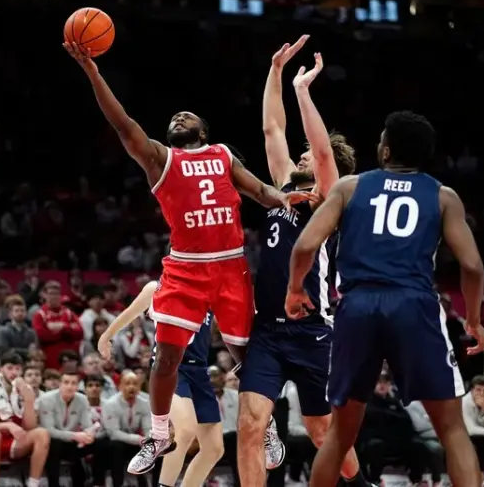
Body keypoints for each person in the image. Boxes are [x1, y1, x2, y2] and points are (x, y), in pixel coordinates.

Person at [63, 40, 314, 475]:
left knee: (248, 360)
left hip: (231, 266)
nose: (178, 116)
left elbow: (259, 190)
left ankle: (267, 424)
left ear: (203, 130)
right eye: (173, 116)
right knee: (165, 359)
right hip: (185, 269)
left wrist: (286, 198)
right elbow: (124, 125)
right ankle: (159, 433)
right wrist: (92, 72)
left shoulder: (222, 155)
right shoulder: (160, 158)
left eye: (187, 115)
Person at [286, 111, 484, 487]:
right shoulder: (444, 197)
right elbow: (473, 267)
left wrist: (296, 289)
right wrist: (473, 320)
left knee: (339, 435)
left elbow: (305, 246)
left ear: (385, 151)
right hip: (413, 305)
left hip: (357, 306)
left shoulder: (349, 187)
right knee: (452, 430)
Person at [238, 37, 362, 486]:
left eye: (307, 151)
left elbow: (325, 152)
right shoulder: (285, 184)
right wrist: (275, 73)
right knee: (250, 424)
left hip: (314, 333)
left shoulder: (331, 199)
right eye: (304, 151)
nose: (303, 153)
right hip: (268, 330)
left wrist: (303, 91)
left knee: (320, 429)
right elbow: (273, 129)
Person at [98, 281, 224, 487]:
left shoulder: (210, 289)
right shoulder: (157, 287)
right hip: (171, 368)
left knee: (214, 449)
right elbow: (130, 313)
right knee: (185, 431)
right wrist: (106, 336)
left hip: (199, 371)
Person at [0, 351, 50, 487]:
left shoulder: (26, 390)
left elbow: (30, 426)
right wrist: (8, 425)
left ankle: (33, 483)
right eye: (9, 368)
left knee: (42, 433)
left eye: (17, 369)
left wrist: (28, 400)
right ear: (1, 369)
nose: (14, 373)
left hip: (15, 440)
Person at [40, 372, 111, 487]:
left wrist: (89, 434)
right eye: (66, 382)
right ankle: (54, 484)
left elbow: (86, 425)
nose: (70, 386)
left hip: (74, 442)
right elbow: (49, 430)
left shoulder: (82, 399)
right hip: (53, 442)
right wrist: (75, 436)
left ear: (78, 386)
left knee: (102, 443)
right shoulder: (46, 399)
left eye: (74, 383)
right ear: (60, 384)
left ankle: (98, 483)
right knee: (54, 444)